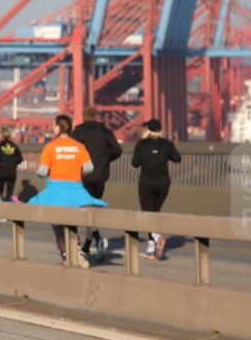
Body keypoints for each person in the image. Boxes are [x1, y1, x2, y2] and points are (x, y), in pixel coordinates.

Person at [29, 115, 105, 268]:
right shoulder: (79, 146)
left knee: (57, 227)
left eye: (54, 125)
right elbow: (89, 168)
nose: (53, 128)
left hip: (55, 191)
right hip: (75, 190)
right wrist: (76, 173)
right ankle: (79, 251)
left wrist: (38, 172)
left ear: (59, 127)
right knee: (71, 222)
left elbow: (43, 172)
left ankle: (65, 257)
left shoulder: (50, 147)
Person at [72, 106, 123, 262]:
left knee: (86, 210)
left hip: (83, 176)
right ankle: (87, 245)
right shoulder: (105, 132)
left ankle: (98, 239)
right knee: (92, 210)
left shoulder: (78, 133)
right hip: (101, 176)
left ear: (83, 116)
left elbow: (72, 151)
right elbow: (117, 150)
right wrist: (105, 160)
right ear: (96, 116)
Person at [132, 119, 182, 261]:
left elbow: (135, 164)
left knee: (148, 214)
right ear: (160, 130)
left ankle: (155, 239)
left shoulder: (141, 144)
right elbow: (178, 158)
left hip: (146, 183)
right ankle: (152, 245)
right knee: (155, 212)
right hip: (163, 183)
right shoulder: (167, 144)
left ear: (147, 129)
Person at [0, 126, 23, 206]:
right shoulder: (14, 146)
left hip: (2, 171)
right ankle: (12, 204)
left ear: (2, 135)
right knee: (10, 193)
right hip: (12, 171)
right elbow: (20, 159)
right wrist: (14, 163)